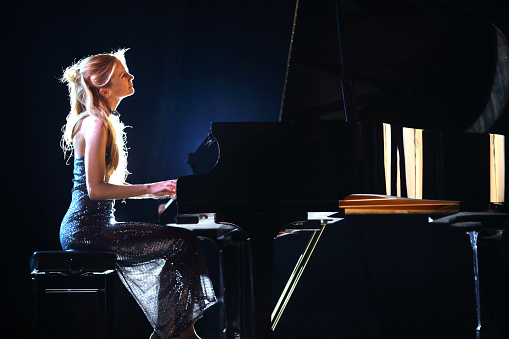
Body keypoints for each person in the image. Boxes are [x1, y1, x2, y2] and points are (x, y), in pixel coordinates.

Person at [59, 49, 216, 339]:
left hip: (92, 227)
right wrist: (150, 189)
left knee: (180, 242)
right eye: (123, 74)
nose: (131, 76)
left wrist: (154, 194)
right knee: (183, 241)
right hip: (87, 230)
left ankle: (172, 331)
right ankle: (177, 333)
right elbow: (95, 191)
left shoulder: (100, 121)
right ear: (104, 89)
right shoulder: (95, 124)